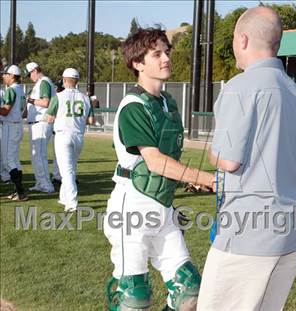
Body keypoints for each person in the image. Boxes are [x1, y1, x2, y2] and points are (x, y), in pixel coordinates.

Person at [197, 7, 296, 311]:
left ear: (243, 39)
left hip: (249, 232)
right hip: (294, 231)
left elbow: (228, 161)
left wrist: (213, 151)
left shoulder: (239, 87)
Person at [103, 27, 214, 311]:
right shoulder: (133, 106)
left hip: (161, 206)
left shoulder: (168, 103)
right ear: (138, 64)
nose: (166, 58)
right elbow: (154, 161)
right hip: (132, 206)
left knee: (189, 292)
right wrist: (206, 179)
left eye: (167, 52)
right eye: (156, 54)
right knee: (133, 297)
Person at [46, 68, 94, 212]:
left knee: (66, 171)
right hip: (78, 135)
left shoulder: (58, 96)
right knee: (70, 169)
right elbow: (90, 120)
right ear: (77, 81)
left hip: (63, 134)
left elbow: (49, 118)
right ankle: (64, 197)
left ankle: (72, 202)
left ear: (64, 80)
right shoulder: (86, 98)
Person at [24, 62, 56, 193]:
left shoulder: (43, 81)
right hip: (37, 123)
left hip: (42, 122)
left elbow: (45, 102)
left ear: (35, 70)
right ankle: (40, 182)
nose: (30, 77)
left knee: (40, 155)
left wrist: (30, 100)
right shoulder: (39, 83)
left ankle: (47, 185)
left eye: (30, 73)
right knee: (36, 155)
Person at [0, 65, 28, 201]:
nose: (3, 76)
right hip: (17, 125)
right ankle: (17, 191)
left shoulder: (11, 90)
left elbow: (5, 110)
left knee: (8, 160)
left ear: (12, 76)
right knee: (15, 160)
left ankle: (21, 192)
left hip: (10, 126)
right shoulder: (21, 90)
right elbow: (24, 112)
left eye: (5, 74)